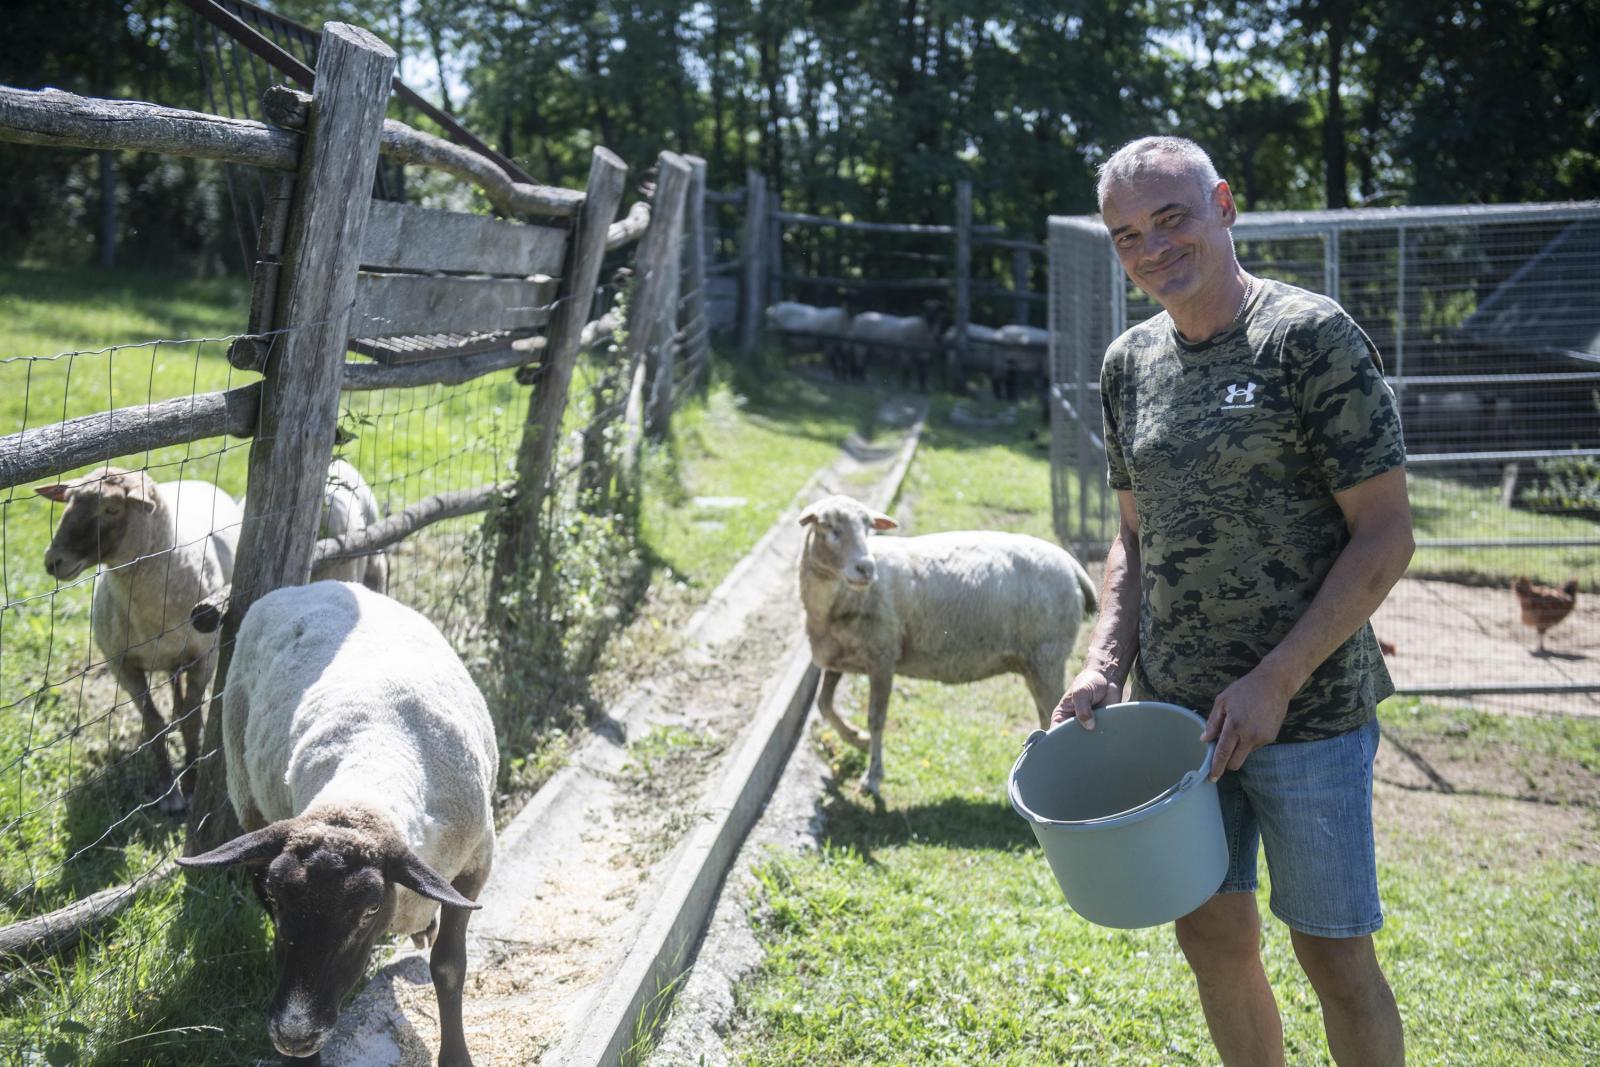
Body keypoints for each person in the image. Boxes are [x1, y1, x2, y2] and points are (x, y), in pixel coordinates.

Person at [1053, 136, 1412, 1066]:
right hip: (1178, 727)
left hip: (1311, 716)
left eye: (1170, 218)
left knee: (1336, 955)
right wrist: (1102, 665)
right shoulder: (1129, 364)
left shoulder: (1309, 337)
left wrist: (1276, 679)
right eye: (1127, 235)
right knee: (1212, 942)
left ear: (1223, 203)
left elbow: (1385, 534)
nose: (1151, 247)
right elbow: (1133, 538)